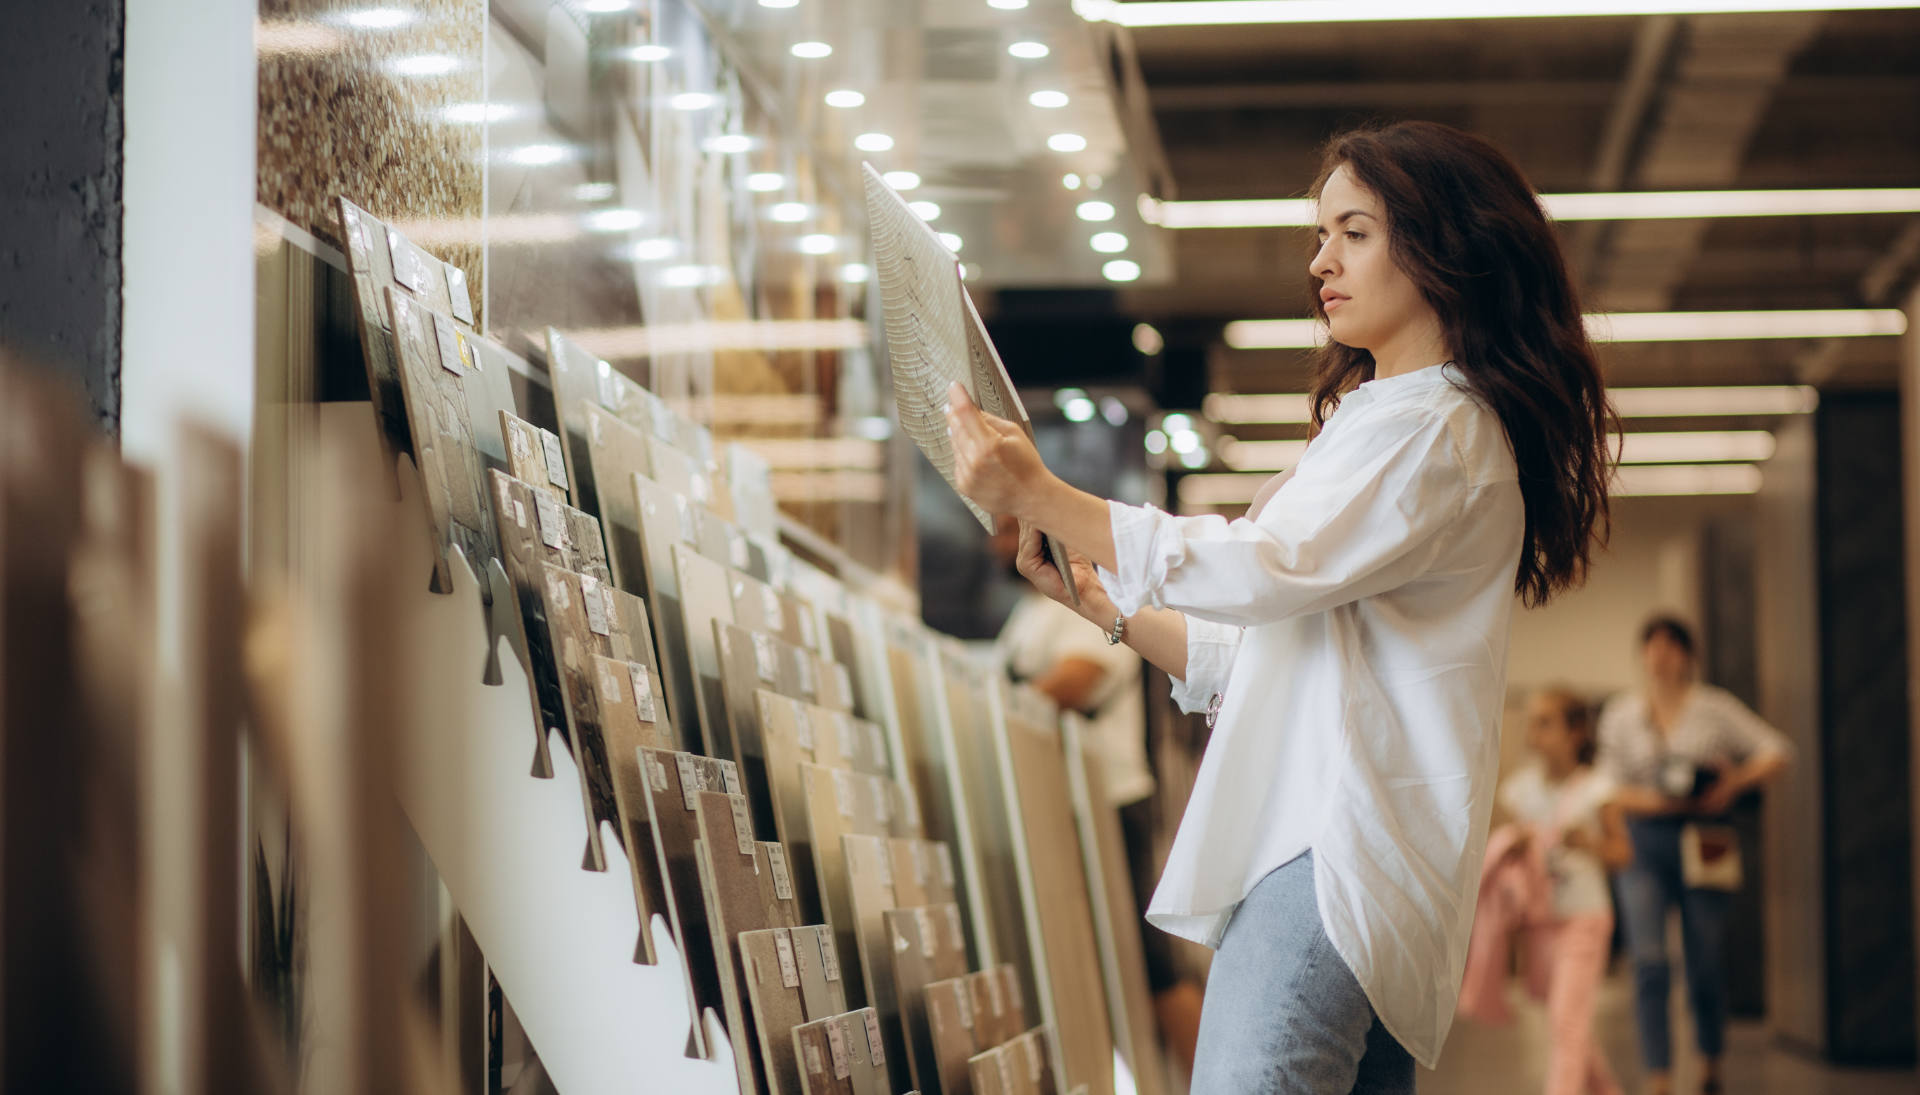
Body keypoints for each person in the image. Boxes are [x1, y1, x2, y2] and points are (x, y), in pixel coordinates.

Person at [943, 119, 1615, 1094]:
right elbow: (1251, 645)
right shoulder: (1381, 422)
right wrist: (1103, 607)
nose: (1321, 262)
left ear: (1441, 248)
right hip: (1327, 855)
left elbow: (1265, 568)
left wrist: (1048, 497)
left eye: (1354, 232)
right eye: (1318, 236)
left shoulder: (1442, 428)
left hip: (1333, 854)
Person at [1596, 617, 1790, 1095]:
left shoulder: (1714, 707)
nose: (1660, 656)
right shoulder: (1622, 713)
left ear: (1688, 653)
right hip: (1644, 838)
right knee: (1649, 960)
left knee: (1705, 956)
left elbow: (1778, 750)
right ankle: (1657, 1074)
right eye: (1652, 647)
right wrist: (1660, 802)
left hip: (1707, 835)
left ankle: (1709, 1059)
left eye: (1670, 646)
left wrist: (1732, 783)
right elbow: (1606, 787)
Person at [1460, 688, 1631, 1095]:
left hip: (1584, 918)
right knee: (1568, 1023)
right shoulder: (1520, 790)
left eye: (1545, 722)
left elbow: (1623, 851)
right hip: (1541, 920)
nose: (1533, 732)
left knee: (1565, 1022)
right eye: (1532, 721)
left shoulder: (1597, 788)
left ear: (1575, 732)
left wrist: (1590, 844)